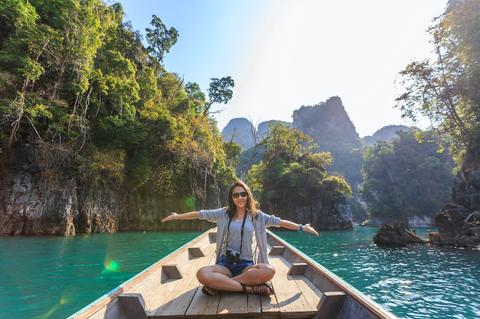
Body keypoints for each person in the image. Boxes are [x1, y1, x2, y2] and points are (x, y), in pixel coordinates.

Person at [161, 179, 319, 296]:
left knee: (268, 270)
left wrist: (302, 227)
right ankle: (248, 288)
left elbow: (280, 222)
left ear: (248, 195)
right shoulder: (223, 213)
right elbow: (200, 214)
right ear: (232, 198)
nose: (240, 197)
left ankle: (222, 285)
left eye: (243, 194)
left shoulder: (257, 216)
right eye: (236, 195)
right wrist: (177, 216)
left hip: (246, 265)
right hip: (225, 264)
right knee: (202, 274)